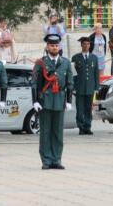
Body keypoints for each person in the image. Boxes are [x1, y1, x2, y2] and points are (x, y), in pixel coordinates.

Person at [32, 34, 73, 170]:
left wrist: (68, 100)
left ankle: (56, 159)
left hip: (59, 100)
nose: (54, 48)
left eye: (56, 45)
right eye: (52, 45)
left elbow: (69, 84)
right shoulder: (41, 63)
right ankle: (46, 160)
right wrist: (35, 101)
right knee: (45, 132)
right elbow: (35, 84)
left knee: (58, 132)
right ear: (47, 47)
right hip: (45, 100)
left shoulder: (65, 63)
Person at [72, 37, 99, 135]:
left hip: (90, 87)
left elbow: (96, 73)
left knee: (88, 108)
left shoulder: (94, 58)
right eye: (84, 44)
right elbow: (73, 74)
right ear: (81, 45)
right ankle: (81, 127)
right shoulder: (76, 57)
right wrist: (73, 87)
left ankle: (88, 126)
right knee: (80, 109)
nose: (86, 46)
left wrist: (97, 87)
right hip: (79, 87)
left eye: (88, 44)